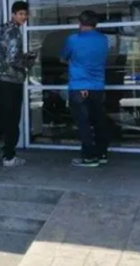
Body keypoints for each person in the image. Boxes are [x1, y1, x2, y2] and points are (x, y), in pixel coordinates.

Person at [0, 1, 36, 167]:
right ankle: (9, 157)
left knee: (0, 119)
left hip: (0, 80)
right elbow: (12, 59)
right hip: (11, 81)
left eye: (25, 14)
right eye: (21, 14)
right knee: (11, 121)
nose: (24, 17)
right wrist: (28, 59)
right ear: (13, 14)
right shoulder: (14, 32)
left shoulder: (2, 28)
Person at [61, 10, 109, 168]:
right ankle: (102, 153)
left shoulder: (73, 39)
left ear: (80, 23)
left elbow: (63, 57)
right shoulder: (103, 39)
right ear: (96, 23)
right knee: (98, 121)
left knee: (83, 123)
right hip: (97, 86)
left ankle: (88, 157)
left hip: (79, 86)